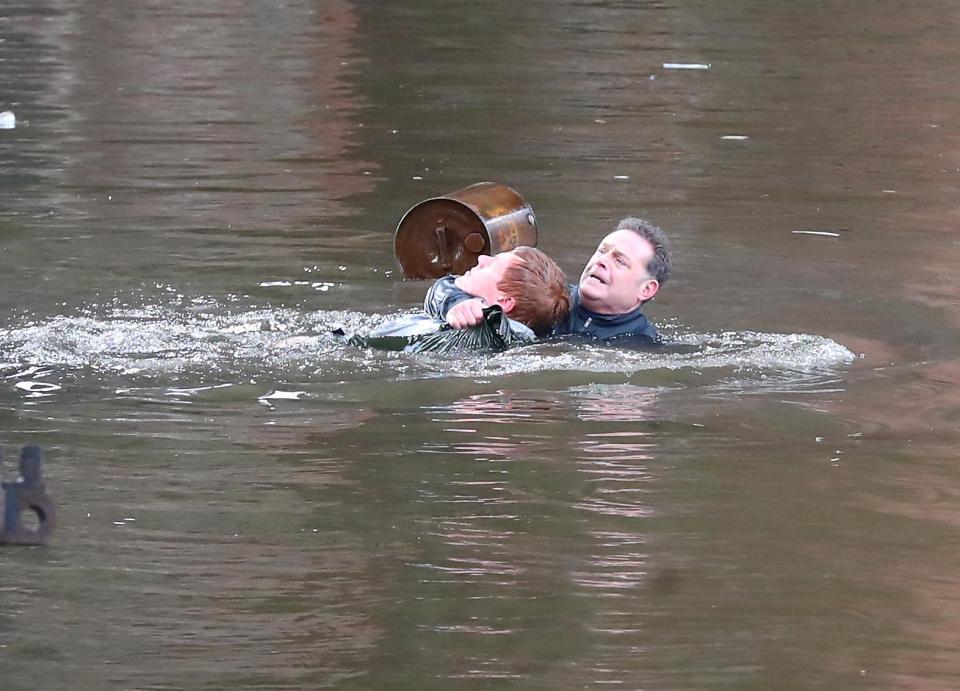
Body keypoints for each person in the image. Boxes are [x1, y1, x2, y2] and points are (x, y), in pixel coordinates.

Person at [437, 217, 671, 342]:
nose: (601, 261)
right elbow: (447, 285)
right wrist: (457, 305)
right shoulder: (546, 295)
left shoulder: (641, 344)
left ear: (647, 289)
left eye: (620, 261)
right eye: (602, 251)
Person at [353, 245, 571, 353]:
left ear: (504, 302)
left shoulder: (491, 329)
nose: (482, 258)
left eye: (493, 264)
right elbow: (446, 285)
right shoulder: (458, 305)